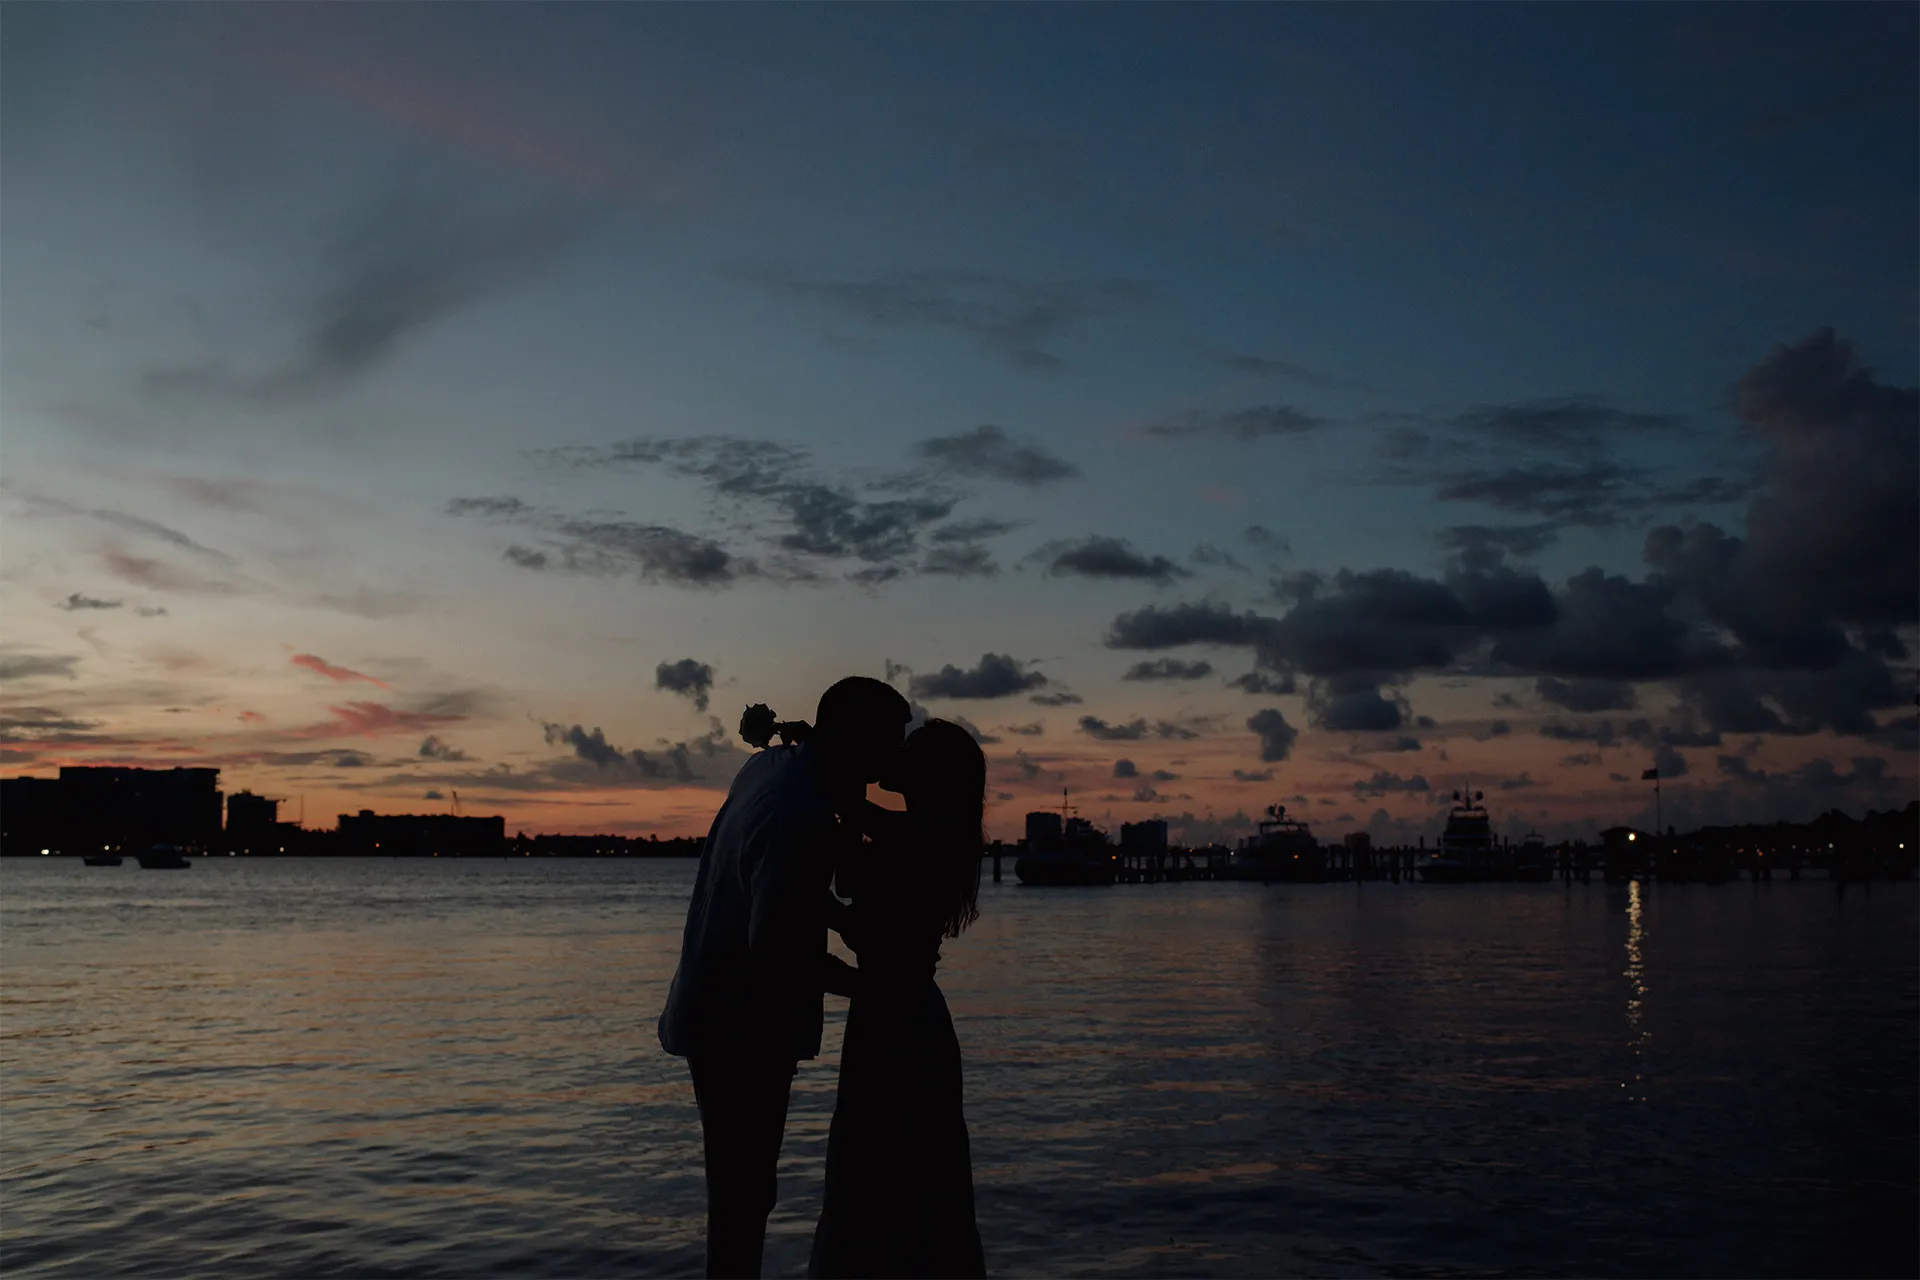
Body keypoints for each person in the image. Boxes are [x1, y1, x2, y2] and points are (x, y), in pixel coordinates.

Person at [659, 676, 912, 1279]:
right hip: (739, 1026)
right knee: (744, 1195)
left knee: (741, 1191)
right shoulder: (799, 814)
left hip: (715, 1006)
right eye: (887, 746)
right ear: (855, 740)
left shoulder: (772, 768)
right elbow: (773, 945)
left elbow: (773, 888)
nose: (892, 763)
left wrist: (837, 918)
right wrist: (871, 988)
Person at [810, 718, 987, 1279]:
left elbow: (853, 815)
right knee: (908, 1183)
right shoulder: (922, 833)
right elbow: (850, 892)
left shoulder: (918, 835)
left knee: (884, 1177)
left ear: (928, 774)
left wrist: (833, 752)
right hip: (899, 1013)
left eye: (908, 751)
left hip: (896, 1019)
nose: (897, 755)